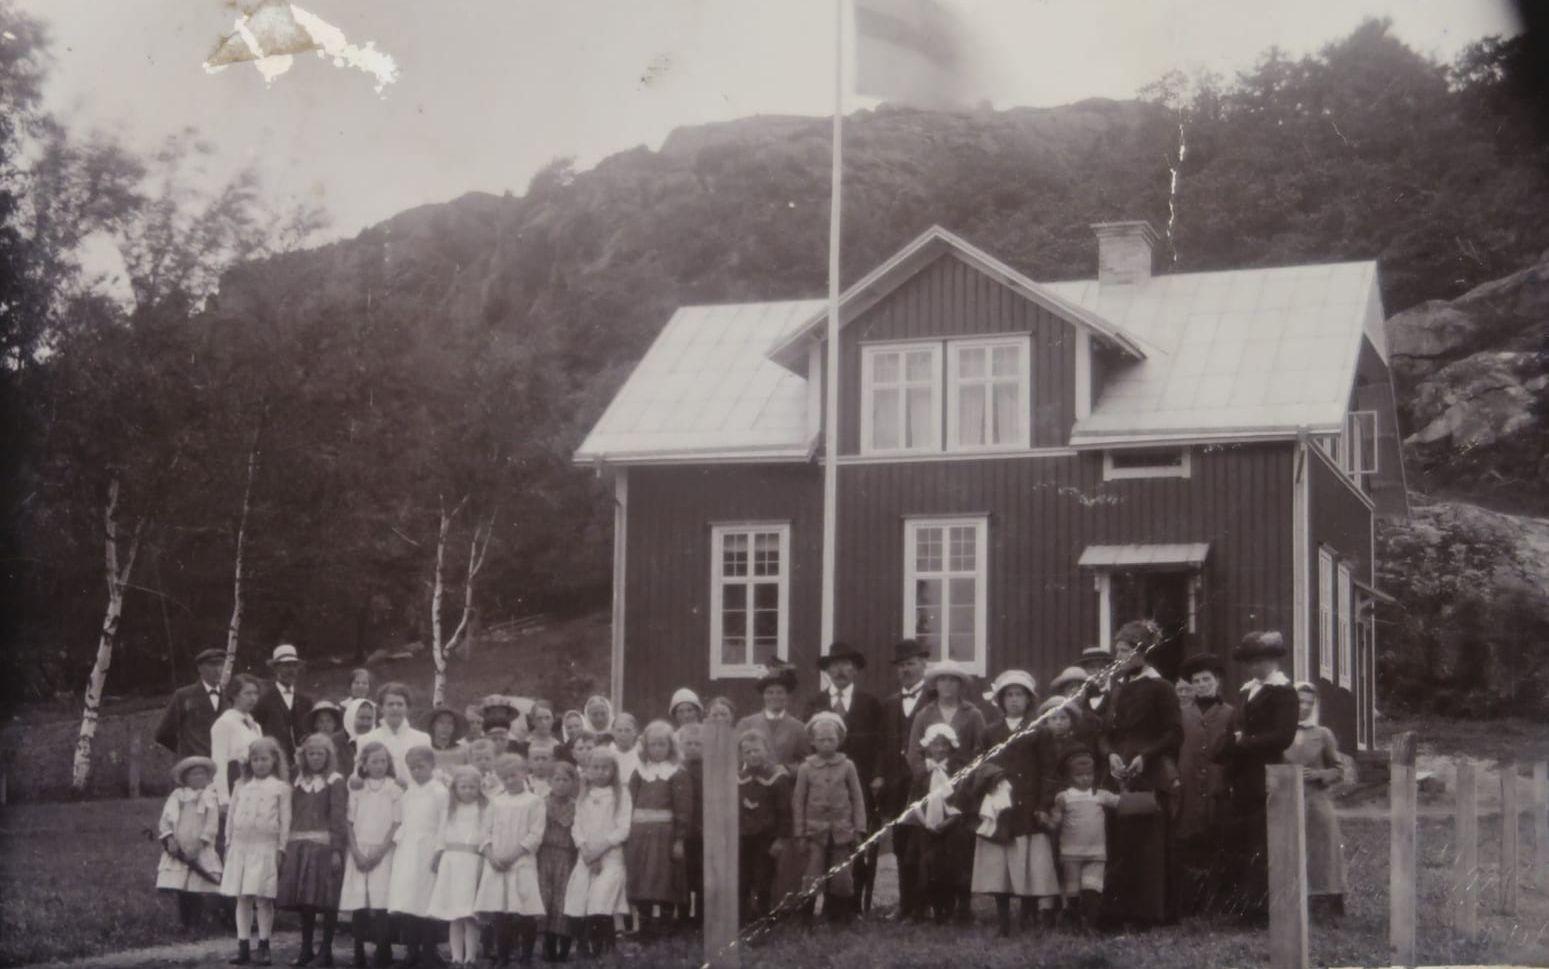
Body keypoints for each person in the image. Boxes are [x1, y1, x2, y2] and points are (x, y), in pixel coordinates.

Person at [1099, 620, 1183, 929]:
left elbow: (1174, 733)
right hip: (1118, 772)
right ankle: (1118, 913)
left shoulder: (1161, 687)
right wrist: (1109, 754)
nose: (1119, 656)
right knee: (1118, 843)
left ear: (1142, 652)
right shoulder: (1119, 687)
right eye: (1117, 650)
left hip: (1147, 774)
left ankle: (1147, 915)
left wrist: (1144, 756)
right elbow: (1104, 732)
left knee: (1146, 845)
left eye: (1125, 651)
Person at [1213, 630, 1298, 925]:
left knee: (1261, 843)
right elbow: (1235, 729)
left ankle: (1261, 912)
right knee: (1241, 842)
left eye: (1260, 661)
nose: (1254, 667)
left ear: (1274, 660)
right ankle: (1242, 906)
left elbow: (1283, 737)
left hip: (1266, 774)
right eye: (1250, 662)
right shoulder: (1247, 690)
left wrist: (1243, 742)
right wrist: (1225, 748)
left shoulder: (1284, 692)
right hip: (1242, 775)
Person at [973, 670, 1059, 934]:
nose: (1014, 700)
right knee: (1000, 866)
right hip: (1001, 808)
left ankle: (1028, 915)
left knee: (1029, 865)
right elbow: (980, 765)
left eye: (1019, 695)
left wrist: (1043, 805)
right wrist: (990, 780)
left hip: (1028, 807)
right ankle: (1003, 920)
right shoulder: (990, 732)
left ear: (1029, 699)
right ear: (1000, 700)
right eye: (1008, 695)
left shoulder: (1039, 731)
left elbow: (1048, 771)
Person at [804, 642, 884, 912]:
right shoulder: (816, 703)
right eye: (834, 665)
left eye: (846, 664)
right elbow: (808, 747)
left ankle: (850, 906)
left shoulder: (870, 703)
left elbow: (881, 745)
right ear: (827, 671)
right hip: (823, 792)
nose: (840, 670)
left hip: (859, 787)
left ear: (855, 670)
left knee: (854, 844)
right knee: (822, 846)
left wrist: (877, 777)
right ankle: (820, 903)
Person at [277, 733, 348, 968]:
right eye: (311, 753)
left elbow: (338, 817)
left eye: (320, 753)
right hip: (299, 844)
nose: (315, 758)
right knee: (305, 901)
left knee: (327, 900)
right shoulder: (297, 781)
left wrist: (337, 849)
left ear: (328, 756)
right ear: (303, 756)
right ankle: (306, 948)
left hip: (324, 847)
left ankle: (326, 950)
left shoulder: (335, 781)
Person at [221, 736, 291, 966]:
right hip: (241, 847)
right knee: (242, 896)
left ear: (274, 760)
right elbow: (231, 816)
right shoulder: (240, 786)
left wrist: (281, 848)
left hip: (265, 847)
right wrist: (228, 843)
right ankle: (243, 945)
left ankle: (264, 945)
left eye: (265, 759)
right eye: (255, 759)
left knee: (263, 897)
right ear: (249, 762)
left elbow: (285, 820)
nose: (260, 763)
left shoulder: (281, 788)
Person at [791, 711, 867, 925]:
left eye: (831, 739)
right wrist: (800, 833)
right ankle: (805, 917)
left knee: (841, 876)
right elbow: (798, 801)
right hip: (815, 832)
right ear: (813, 742)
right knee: (812, 874)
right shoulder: (806, 768)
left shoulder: (847, 766)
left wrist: (859, 829)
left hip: (842, 831)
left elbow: (857, 798)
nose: (826, 744)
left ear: (839, 740)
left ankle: (839, 917)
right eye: (821, 740)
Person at [1286, 683, 1353, 920]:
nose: (1303, 707)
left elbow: (1339, 770)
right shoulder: (1280, 732)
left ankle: (1324, 905)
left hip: (1316, 802)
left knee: (1323, 853)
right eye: (1299, 701)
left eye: (1309, 703)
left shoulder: (1323, 734)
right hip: (1286, 804)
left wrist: (1319, 775)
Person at [1176, 654, 1234, 916]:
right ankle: (1190, 905)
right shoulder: (1182, 715)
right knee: (1188, 844)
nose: (1201, 684)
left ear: (1217, 681)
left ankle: (1217, 904)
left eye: (1206, 679)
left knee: (1218, 845)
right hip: (1187, 790)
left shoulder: (1231, 714)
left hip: (1217, 788)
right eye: (1196, 681)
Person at [475, 753, 547, 966]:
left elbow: (535, 835)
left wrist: (512, 856)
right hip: (496, 865)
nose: (509, 781)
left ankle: (526, 956)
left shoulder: (534, 801)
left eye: (513, 775)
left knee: (525, 911)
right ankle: (503, 956)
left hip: (521, 863)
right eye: (504, 777)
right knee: (500, 912)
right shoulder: (496, 802)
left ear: (525, 773)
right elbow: (484, 833)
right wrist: (491, 856)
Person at [875, 639, 929, 921]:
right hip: (897, 787)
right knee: (901, 846)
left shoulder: (933, 699)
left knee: (926, 844)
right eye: (901, 666)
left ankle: (927, 904)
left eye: (911, 663)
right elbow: (884, 746)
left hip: (925, 783)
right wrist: (881, 776)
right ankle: (906, 903)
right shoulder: (890, 703)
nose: (906, 670)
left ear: (923, 665)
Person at [625, 720, 691, 939]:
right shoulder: (640, 772)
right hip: (640, 834)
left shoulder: (677, 773)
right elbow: (629, 802)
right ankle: (644, 926)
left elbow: (683, 808)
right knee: (641, 878)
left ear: (671, 747)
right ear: (646, 747)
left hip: (665, 834)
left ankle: (665, 925)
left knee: (664, 879)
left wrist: (679, 839)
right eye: (653, 745)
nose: (657, 749)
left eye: (662, 745)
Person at [563, 748, 631, 958]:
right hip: (585, 856)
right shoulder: (584, 795)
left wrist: (599, 852)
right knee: (579, 899)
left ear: (613, 770)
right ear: (588, 770)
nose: (600, 772)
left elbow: (622, 829)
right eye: (595, 767)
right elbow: (577, 827)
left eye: (605, 768)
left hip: (609, 856)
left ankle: (605, 949)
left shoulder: (621, 794)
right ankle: (585, 946)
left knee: (602, 900)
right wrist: (585, 850)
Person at [341, 741, 403, 967]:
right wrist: (356, 852)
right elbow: (348, 822)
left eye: (383, 761)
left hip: (384, 851)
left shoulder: (394, 788)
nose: (379, 765)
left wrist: (379, 852)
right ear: (364, 765)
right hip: (359, 849)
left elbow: (397, 823)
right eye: (374, 761)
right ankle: (358, 950)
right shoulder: (357, 787)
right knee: (359, 902)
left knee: (381, 903)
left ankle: (382, 950)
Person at [1046, 750, 1121, 933]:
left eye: (1089, 774)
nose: (1085, 779)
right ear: (1070, 777)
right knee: (1072, 892)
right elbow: (1055, 821)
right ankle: (1073, 923)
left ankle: (1091, 926)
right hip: (1071, 854)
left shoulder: (1100, 795)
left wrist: (1125, 786)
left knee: (1092, 889)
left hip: (1096, 852)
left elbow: (1120, 802)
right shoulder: (1064, 797)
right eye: (1079, 775)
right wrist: (1047, 819)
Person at [905, 722, 972, 924]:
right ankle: (925, 910)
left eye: (944, 745)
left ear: (951, 747)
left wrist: (949, 821)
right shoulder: (922, 772)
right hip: (927, 826)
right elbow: (914, 799)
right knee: (926, 866)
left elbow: (962, 800)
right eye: (935, 745)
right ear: (928, 747)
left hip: (953, 826)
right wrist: (925, 822)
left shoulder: (958, 771)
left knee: (953, 867)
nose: (940, 749)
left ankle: (956, 911)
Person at [388, 746, 448, 968]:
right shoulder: (410, 791)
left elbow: (443, 825)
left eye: (421, 767)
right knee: (408, 902)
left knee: (427, 902)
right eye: (412, 768)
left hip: (429, 849)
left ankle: (430, 951)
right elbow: (405, 820)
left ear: (433, 766)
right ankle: (411, 951)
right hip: (408, 850)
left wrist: (439, 851)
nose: (416, 772)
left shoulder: (439, 792)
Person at [429, 766, 490, 968]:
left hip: (473, 861)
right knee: (455, 914)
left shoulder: (484, 809)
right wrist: (438, 853)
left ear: (479, 788)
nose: (468, 791)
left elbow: (486, 835)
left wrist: (484, 857)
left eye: (472, 787)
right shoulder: (449, 809)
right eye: (463, 787)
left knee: (470, 914)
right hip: (452, 862)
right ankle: (456, 956)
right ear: (455, 788)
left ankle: (471, 957)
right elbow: (441, 834)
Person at [156, 755, 224, 929]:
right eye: (194, 774)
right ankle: (185, 922)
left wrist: (200, 844)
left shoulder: (210, 797)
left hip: (200, 847)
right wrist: (169, 839)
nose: (198, 777)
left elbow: (211, 825)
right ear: (185, 778)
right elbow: (166, 819)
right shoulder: (178, 796)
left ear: (208, 777)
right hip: (179, 846)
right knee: (182, 886)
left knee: (197, 884)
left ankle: (197, 921)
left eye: (202, 774)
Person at [736, 731, 792, 921]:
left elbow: (785, 810)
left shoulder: (777, 777)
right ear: (742, 755)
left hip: (766, 838)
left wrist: (780, 838)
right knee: (742, 878)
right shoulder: (738, 777)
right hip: (742, 837)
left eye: (757, 750)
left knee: (763, 879)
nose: (753, 755)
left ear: (767, 751)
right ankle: (742, 918)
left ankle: (763, 919)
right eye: (748, 752)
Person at [905, 660, 985, 773]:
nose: (947, 684)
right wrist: (927, 773)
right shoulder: (923, 715)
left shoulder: (973, 714)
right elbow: (913, 755)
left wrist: (967, 776)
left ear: (960, 684)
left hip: (964, 782)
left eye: (952, 680)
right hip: (931, 782)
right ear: (936, 684)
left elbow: (982, 751)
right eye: (942, 680)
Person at [537, 761, 580, 963]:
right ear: (549, 781)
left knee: (564, 899)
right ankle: (548, 945)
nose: (561, 784)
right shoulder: (541, 803)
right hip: (545, 856)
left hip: (567, 856)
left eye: (566, 780)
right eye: (557, 779)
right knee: (547, 898)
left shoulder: (576, 806)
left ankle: (565, 947)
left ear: (573, 783)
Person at [155, 648, 228, 759]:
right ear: (200, 669)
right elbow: (163, 734)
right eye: (212, 666)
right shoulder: (184, 695)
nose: (218, 670)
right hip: (197, 767)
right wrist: (187, 753)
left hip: (226, 765)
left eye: (221, 665)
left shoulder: (230, 696)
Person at [735, 663, 809, 769]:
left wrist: (787, 769)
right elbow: (737, 758)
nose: (775, 697)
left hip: (786, 783)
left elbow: (806, 762)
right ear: (763, 696)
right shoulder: (747, 724)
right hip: (753, 782)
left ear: (787, 696)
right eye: (769, 693)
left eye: (780, 692)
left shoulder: (798, 727)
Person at [357, 683, 431, 784]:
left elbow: (429, 777)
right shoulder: (366, 739)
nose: (395, 708)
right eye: (390, 704)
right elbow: (359, 778)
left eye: (400, 704)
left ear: (407, 708)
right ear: (381, 708)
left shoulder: (422, 739)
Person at [253, 644, 315, 764]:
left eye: (294, 665)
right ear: (276, 668)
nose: (291, 670)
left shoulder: (305, 701)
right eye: (286, 666)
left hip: (304, 762)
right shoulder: (264, 701)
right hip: (275, 762)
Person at [212, 674, 266, 807]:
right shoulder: (224, 723)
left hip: (256, 781)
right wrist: (223, 798)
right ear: (234, 695)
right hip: (236, 781)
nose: (253, 698)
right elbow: (218, 761)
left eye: (256, 693)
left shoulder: (255, 726)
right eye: (247, 693)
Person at [674, 723, 705, 927]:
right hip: (683, 829)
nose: (693, 747)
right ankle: (683, 915)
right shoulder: (676, 769)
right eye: (688, 743)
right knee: (682, 873)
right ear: (680, 745)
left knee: (701, 873)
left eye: (698, 744)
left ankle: (701, 916)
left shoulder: (709, 768)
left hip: (703, 830)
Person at [427, 706, 469, 783]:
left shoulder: (464, 751)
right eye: (441, 722)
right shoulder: (426, 750)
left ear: (454, 727)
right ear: (433, 725)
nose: (445, 727)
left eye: (450, 723)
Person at [607, 714, 642, 782]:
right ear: (612, 732)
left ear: (635, 732)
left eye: (627, 730)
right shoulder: (608, 754)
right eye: (619, 730)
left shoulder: (641, 753)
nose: (623, 734)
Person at [342, 669, 374, 740]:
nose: (360, 686)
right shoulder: (342, 708)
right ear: (350, 686)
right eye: (357, 683)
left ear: (369, 687)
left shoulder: (374, 708)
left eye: (364, 683)